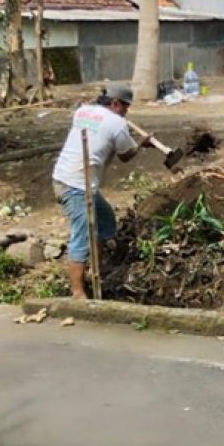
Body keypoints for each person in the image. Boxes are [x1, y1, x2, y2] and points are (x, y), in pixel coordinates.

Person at [51, 84, 149, 299]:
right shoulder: (117, 123)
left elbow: (100, 134)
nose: (126, 112)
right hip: (75, 186)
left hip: (69, 178)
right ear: (115, 103)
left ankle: (94, 270)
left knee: (105, 221)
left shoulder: (83, 111)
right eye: (125, 107)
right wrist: (141, 144)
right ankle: (78, 292)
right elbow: (125, 155)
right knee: (82, 235)